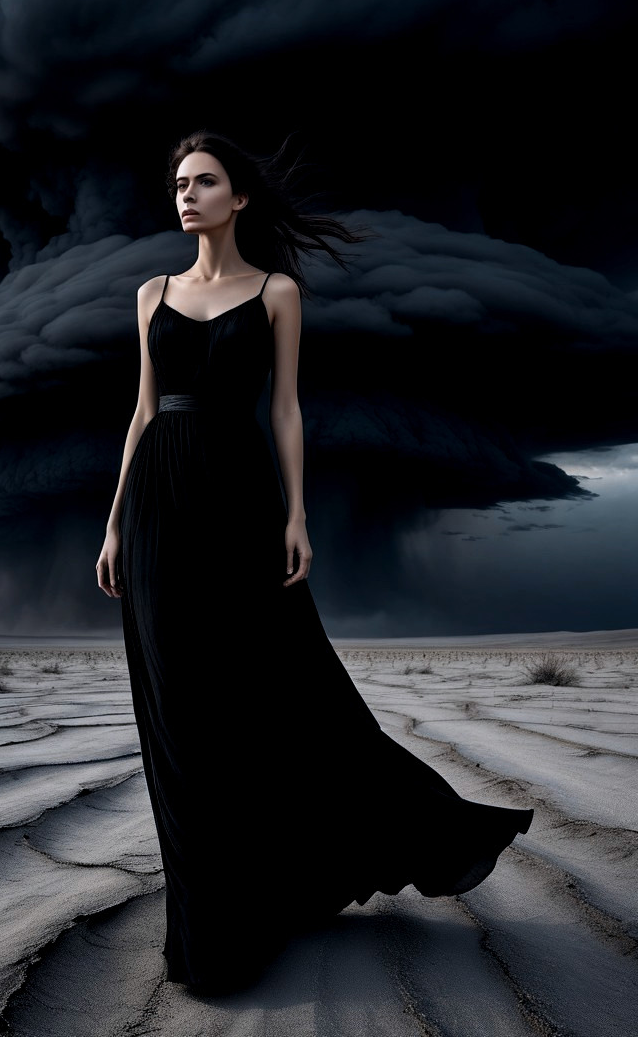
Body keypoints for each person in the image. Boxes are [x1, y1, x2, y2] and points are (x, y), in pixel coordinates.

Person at [96, 129, 533, 995]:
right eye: (179, 183)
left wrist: (297, 513)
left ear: (240, 197)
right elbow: (142, 413)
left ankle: (308, 870)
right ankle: (208, 929)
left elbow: (286, 411)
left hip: (242, 498)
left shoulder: (277, 291)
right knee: (177, 713)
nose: (186, 195)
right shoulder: (150, 294)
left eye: (205, 181)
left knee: (277, 692)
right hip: (156, 506)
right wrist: (111, 524)